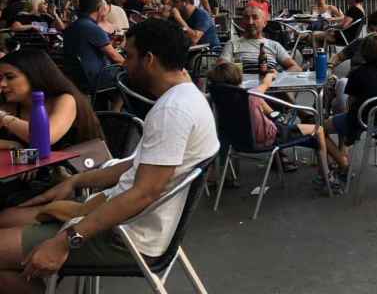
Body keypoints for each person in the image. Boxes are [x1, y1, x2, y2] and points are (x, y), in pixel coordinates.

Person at [0, 19, 219, 293]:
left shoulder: (173, 111)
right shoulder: (187, 98)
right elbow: (136, 166)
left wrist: (65, 241)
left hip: (123, 238)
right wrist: (75, 182)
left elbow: (143, 193)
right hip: (125, 226)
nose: (123, 63)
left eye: (128, 55)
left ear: (149, 59)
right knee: (7, 218)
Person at [206, 62, 342, 191]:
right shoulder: (251, 95)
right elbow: (266, 83)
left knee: (265, 109)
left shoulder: (217, 98)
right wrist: (271, 75)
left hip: (236, 140)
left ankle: (278, 119)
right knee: (319, 129)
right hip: (267, 138)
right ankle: (326, 177)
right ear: (238, 79)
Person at [0, 49, 104, 207]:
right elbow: (33, 156)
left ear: (34, 75)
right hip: (32, 181)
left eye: (10, 77)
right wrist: (13, 145)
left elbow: (46, 138)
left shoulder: (64, 100)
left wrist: (4, 118)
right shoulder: (12, 106)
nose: (2, 84)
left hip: (75, 185)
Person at [322, 34, 377, 175]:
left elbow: (351, 100)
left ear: (364, 52)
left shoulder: (357, 73)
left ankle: (342, 162)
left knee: (320, 129)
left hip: (361, 119)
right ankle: (341, 158)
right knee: (345, 119)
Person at [63, 0, 125, 95]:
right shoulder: (92, 28)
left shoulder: (73, 26)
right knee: (129, 78)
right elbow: (115, 56)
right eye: (104, 8)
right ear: (99, 8)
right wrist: (133, 66)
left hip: (78, 77)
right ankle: (116, 109)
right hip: (97, 78)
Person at [219, 6, 301, 73]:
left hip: (270, 88)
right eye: (247, 18)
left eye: (255, 17)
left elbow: (296, 68)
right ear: (242, 23)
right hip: (242, 89)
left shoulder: (274, 45)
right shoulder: (232, 44)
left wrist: (279, 76)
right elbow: (220, 68)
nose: (250, 22)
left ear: (264, 23)